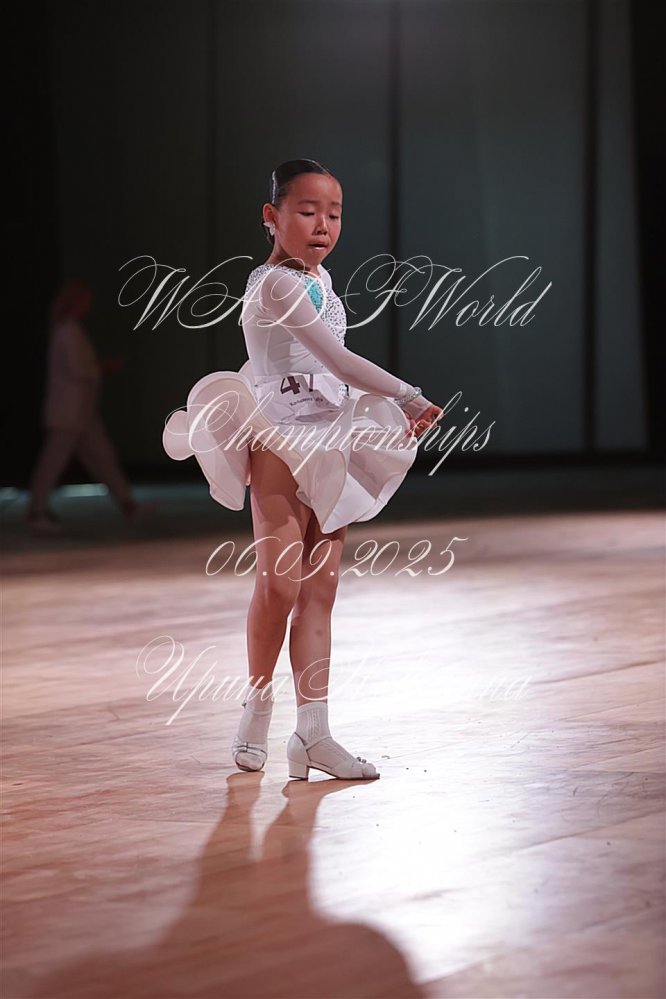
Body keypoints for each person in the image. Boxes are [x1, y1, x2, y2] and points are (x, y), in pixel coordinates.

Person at [163, 159, 443, 780]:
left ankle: (313, 734)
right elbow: (336, 359)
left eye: (334, 214)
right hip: (279, 439)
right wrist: (407, 394)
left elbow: (331, 373)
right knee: (281, 585)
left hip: (329, 435)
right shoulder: (274, 285)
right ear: (272, 216)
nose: (323, 226)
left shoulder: (321, 278)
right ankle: (257, 706)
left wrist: (378, 409)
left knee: (321, 590)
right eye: (308, 212)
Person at [26, 279, 149, 536]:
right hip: (69, 412)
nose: (88, 307)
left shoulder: (70, 330)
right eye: (85, 302)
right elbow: (78, 370)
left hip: (81, 411)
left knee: (103, 458)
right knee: (53, 462)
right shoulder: (68, 331)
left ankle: (128, 505)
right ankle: (35, 511)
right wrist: (104, 367)